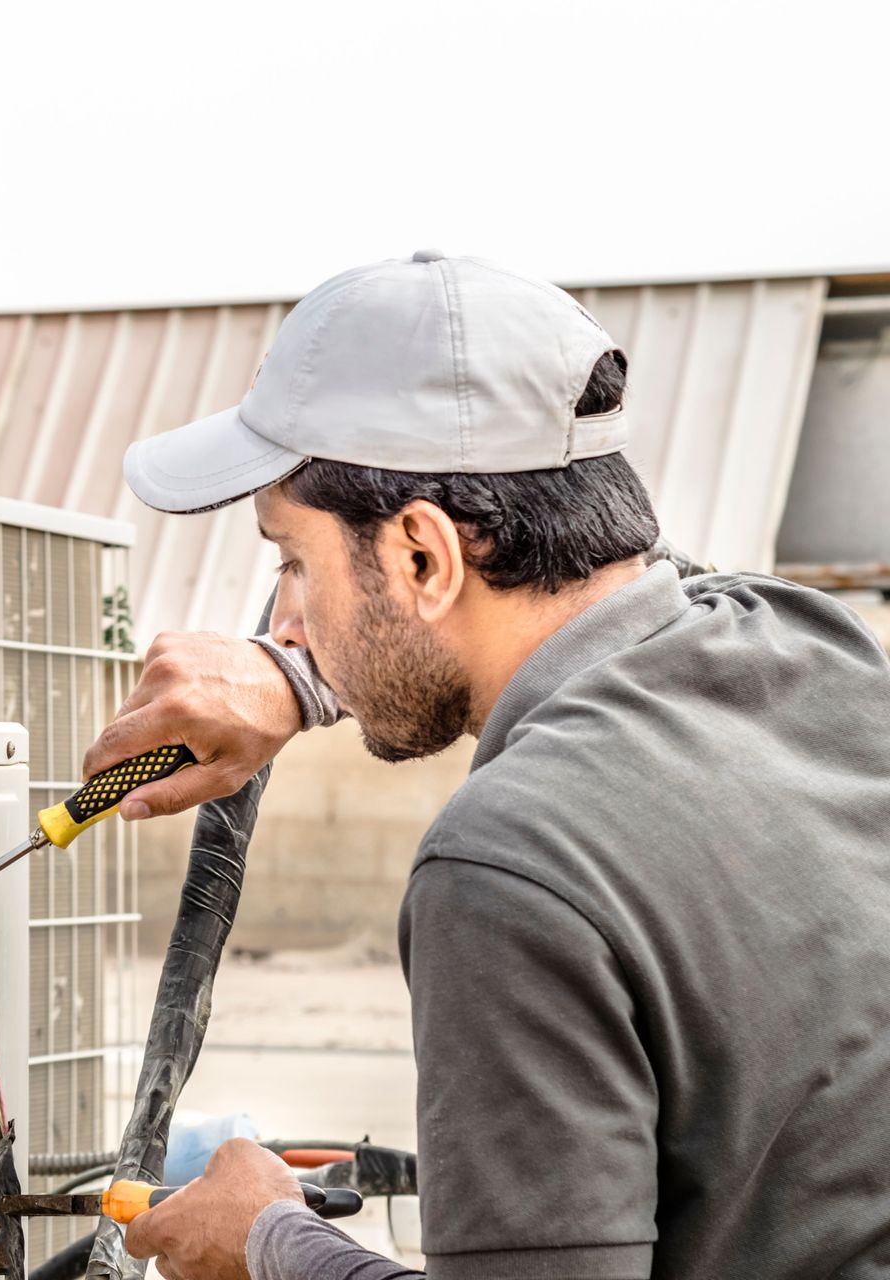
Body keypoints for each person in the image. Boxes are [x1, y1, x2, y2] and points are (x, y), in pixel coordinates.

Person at [90, 251, 890, 1279]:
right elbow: (632, 590)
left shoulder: (507, 866)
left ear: (423, 556)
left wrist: (269, 1239)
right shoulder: (816, 647)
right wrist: (307, 676)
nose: (285, 618)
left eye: (294, 559)